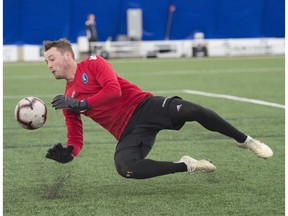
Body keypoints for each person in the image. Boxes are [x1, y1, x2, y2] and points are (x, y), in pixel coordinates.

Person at [43, 38, 273, 179]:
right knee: (125, 168)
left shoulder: (93, 63)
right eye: (46, 62)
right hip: (129, 133)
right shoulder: (66, 100)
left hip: (144, 106)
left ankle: (246, 141)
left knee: (192, 110)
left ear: (68, 55)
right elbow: (76, 137)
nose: (49, 65)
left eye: (52, 59)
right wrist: (69, 153)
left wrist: (82, 103)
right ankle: (187, 165)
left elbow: (114, 90)